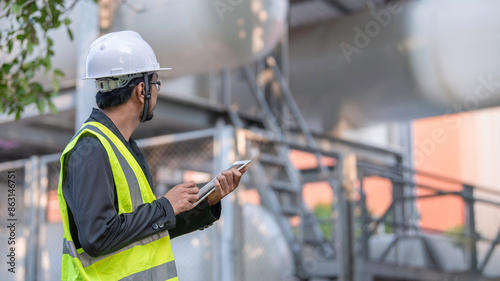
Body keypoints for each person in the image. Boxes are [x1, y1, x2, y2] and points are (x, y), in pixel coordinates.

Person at [57, 30, 247, 281]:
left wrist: (208, 200)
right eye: (156, 83)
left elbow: (145, 231)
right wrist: (165, 206)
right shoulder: (90, 149)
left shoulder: (122, 146)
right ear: (141, 90)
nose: (157, 90)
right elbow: (97, 237)